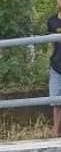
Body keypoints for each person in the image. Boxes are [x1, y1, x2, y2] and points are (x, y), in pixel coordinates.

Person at [49, 0, 61, 137]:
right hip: (56, 67)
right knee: (56, 102)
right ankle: (55, 133)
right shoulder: (51, 21)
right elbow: (50, 45)